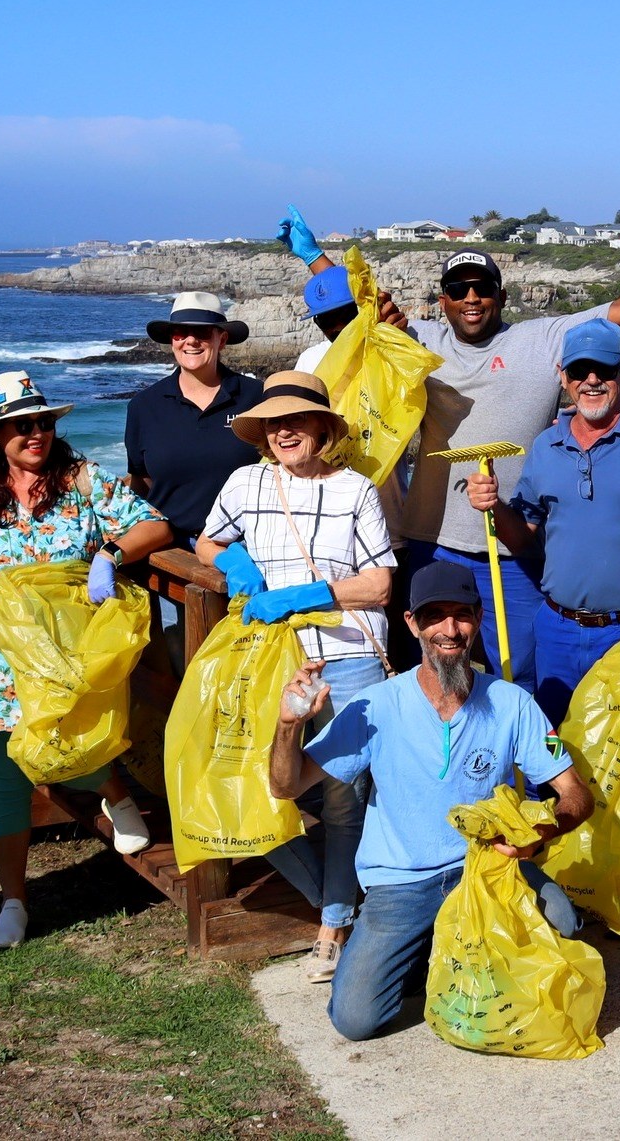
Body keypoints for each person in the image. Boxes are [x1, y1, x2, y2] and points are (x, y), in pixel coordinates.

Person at [279, 209, 620, 690]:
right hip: (435, 541)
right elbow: (360, 306)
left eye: (482, 288)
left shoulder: (543, 340)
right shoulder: (418, 340)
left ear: (501, 296)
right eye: (458, 289)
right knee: (435, 667)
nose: (471, 298)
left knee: (521, 669)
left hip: (515, 545)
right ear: (442, 300)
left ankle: (525, 741)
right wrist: (313, 257)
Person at [268, 561, 594, 1041]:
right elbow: (286, 786)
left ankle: (446, 948)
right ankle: (429, 951)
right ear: (412, 624)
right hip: (401, 881)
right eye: (434, 616)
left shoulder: (512, 703)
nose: (449, 629)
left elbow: (576, 795)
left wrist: (538, 835)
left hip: (488, 869)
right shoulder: (376, 705)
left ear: (478, 618)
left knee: (563, 924)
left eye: (461, 614)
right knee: (356, 1020)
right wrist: (288, 725)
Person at [0, 371, 171, 950]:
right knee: (5, 780)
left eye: (44, 422)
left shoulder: (82, 482)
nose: (36, 433)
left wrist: (109, 553)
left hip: (67, 656)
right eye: (21, 425)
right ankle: (14, 902)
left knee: (77, 742)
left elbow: (154, 524)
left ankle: (116, 793)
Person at [196, 371, 396, 984]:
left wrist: (305, 595)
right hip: (270, 660)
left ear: (322, 428)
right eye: (273, 423)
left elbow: (380, 585)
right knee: (256, 780)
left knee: (343, 798)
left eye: (297, 420)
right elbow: (206, 542)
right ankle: (334, 898)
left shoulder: (356, 489)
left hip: (348, 656)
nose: (284, 432)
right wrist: (235, 563)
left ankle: (332, 925)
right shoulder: (245, 482)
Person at [465, 318, 620, 725]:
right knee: (556, 745)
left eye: (604, 369)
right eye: (579, 370)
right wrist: (494, 506)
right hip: (557, 630)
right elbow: (522, 537)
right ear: (563, 377)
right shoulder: (545, 446)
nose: (591, 380)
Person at [295, 265, 417, 669]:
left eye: (344, 315)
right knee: (335, 646)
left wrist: (393, 332)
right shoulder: (311, 361)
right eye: (325, 319)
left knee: (397, 649)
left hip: (388, 527)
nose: (336, 327)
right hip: (325, 529)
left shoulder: (391, 346)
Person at [124, 291, 264, 547]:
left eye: (202, 332)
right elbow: (141, 483)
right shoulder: (143, 406)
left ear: (222, 339)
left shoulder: (257, 397)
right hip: (167, 551)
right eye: (180, 332)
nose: (191, 340)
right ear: (172, 340)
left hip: (245, 548)